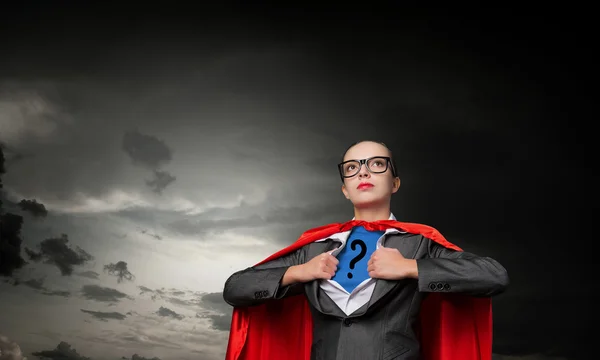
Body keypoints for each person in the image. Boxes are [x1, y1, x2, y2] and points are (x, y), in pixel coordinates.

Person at [223, 140, 509, 360]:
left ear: (394, 183)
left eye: (376, 164)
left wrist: (410, 268)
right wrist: (298, 272)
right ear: (345, 189)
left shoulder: (419, 243)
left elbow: (493, 277)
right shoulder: (313, 247)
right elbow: (236, 288)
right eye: (352, 167)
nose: (363, 171)